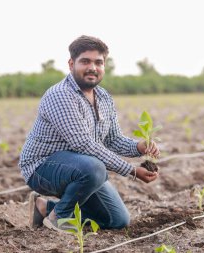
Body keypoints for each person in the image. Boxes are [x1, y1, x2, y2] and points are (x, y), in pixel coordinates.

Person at [19, 35, 159, 233]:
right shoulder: (60, 95)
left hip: (82, 167)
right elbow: (83, 144)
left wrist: (138, 147)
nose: (92, 67)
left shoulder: (103, 97)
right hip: (42, 168)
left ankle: (45, 208)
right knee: (95, 167)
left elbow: (113, 139)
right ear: (71, 64)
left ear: (104, 66)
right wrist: (132, 171)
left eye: (98, 62)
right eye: (85, 61)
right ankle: (58, 218)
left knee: (118, 219)